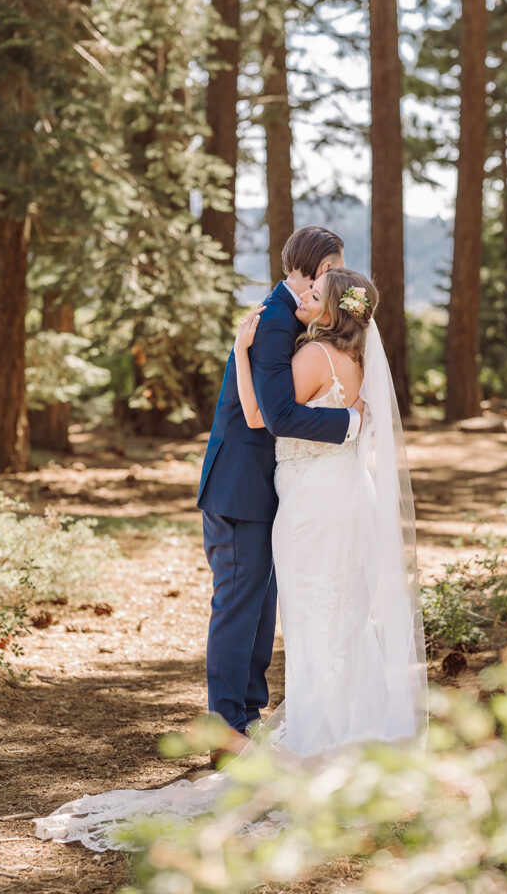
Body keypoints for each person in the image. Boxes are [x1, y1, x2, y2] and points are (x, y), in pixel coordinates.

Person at [33, 263, 426, 851]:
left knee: (313, 616)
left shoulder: (313, 357)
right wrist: (343, 420)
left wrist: (241, 355)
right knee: (340, 614)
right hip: (341, 498)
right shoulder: (358, 361)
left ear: (334, 309)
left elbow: (263, 415)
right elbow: (331, 420)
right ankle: (346, 720)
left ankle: (320, 731)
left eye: (317, 294)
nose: (306, 298)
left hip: (312, 506)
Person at [196, 226, 364, 757]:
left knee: (260, 608)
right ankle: (225, 727)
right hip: (240, 488)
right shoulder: (272, 323)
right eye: (333, 268)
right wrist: (349, 425)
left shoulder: (288, 316)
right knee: (239, 606)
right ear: (319, 267)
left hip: (271, 489)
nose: (335, 278)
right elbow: (274, 416)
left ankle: (246, 716)